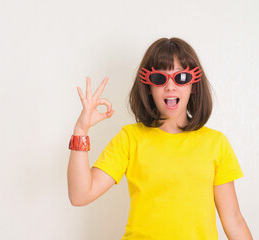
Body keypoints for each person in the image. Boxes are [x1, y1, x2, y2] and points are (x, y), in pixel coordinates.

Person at [67, 37, 253, 239]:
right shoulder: (130, 138)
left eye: (181, 78)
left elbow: (233, 220)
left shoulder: (216, 144)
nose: (171, 86)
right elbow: (80, 195)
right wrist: (81, 130)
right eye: (159, 79)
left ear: (193, 85)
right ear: (148, 87)